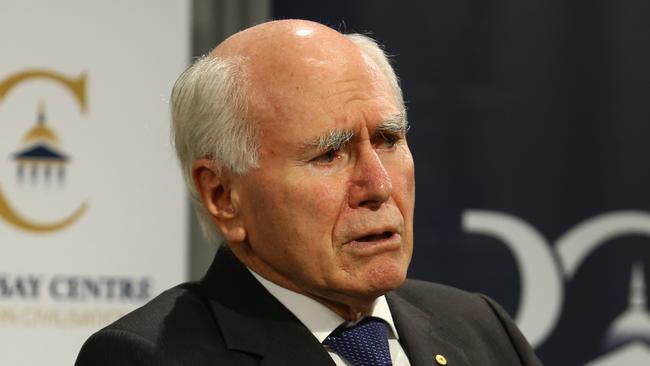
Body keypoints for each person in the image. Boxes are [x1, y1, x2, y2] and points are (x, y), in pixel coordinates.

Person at [75, 19, 543, 366]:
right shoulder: (150, 357)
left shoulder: (481, 329)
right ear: (223, 196)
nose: (378, 186)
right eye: (330, 155)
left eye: (388, 140)